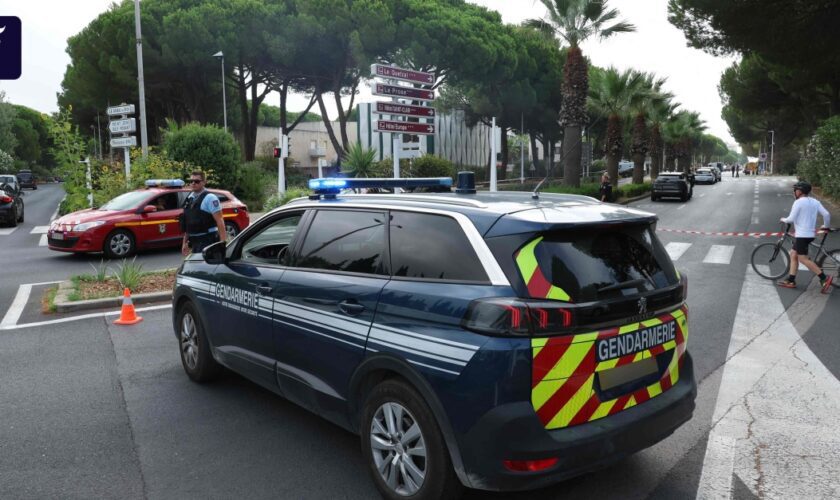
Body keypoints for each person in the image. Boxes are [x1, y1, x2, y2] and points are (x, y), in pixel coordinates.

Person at [777, 181, 833, 292]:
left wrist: (783, 219)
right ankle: (791, 280)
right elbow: (826, 214)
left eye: (795, 190)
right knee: (793, 254)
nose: (794, 192)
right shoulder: (814, 201)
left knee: (802, 259)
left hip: (802, 235)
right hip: (810, 234)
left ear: (799, 191)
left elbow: (791, 219)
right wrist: (826, 226)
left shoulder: (798, 202)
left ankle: (824, 278)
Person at [180, 171, 226, 255]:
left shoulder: (210, 198)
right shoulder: (190, 198)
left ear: (204, 182)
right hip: (194, 242)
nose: (193, 183)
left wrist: (222, 243)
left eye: (197, 181)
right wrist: (184, 243)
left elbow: (220, 221)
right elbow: (188, 223)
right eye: (191, 181)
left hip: (208, 241)